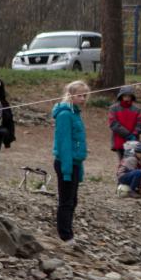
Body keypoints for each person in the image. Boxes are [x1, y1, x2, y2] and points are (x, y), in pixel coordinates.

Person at [52, 80, 89, 243]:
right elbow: (64, 142)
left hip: (75, 162)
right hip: (66, 163)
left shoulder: (75, 113)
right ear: (71, 95)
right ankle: (65, 235)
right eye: (80, 95)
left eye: (85, 95)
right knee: (66, 201)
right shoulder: (65, 114)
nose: (83, 98)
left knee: (73, 200)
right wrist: (67, 169)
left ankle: (68, 231)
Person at [107, 85, 141, 159]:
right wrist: (128, 135)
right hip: (119, 140)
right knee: (123, 163)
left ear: (132, 97)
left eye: (129, 96)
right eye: (125, 95)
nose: (127, 98)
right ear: (121, 96)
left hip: (133, 141)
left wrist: (134, 134)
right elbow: (113, 124)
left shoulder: (137, 109)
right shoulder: (113, 108)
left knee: (133, 162)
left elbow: (140, 124)